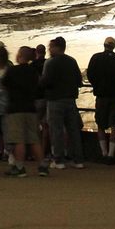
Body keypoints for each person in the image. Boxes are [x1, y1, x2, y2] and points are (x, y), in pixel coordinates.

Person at [2, 46, 49, 177]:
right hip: (31, 108)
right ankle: (42, 166)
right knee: (34, 139)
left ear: (20, 56)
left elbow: (3, 85)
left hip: (15, 108)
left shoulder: (12, 71)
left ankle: (20, 167)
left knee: (19, 139)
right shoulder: (33, 72)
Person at [40, 36, 85, 169]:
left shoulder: (50, 63)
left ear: (57, 47)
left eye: (51, 47)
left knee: (56, 131)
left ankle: (59, 160)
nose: (49, 49)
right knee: (73, 130)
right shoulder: (72, 61)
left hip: (55, 100)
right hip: (70, 100)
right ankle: (78, 160)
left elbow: (45, 82)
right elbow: (78, 80)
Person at [85, 37, 115, 164]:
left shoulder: (96, 58)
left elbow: (90, 74)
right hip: (114, 96)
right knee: (114, 124)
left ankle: (103, 153)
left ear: (104, 45)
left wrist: (97, 86)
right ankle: (111, 155)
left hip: (101, 96)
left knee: (100, 124)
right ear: (114, 46)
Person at [31, 44, 50, 154]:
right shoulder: (48, 63)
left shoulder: (32, 65)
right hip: (47, 97)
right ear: (45, 52)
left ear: (36, 52)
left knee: (35, 125)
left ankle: (36, 151)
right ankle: (43, 150)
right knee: (46, 125)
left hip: (36, 98)